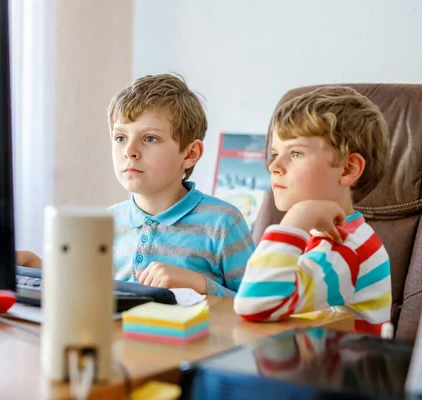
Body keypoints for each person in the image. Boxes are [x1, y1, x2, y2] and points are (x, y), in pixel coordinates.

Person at [233, 86, 391, 335]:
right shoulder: (321, 238)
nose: (274, 165)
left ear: (348, 169)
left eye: (296, 153)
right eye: (275, 153)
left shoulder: (348, 249)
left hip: (337, 372)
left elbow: (255, 303)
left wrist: (295, 220)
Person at [107, 73, 254, 295]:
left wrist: (199, 284)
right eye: (120, 138)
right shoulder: (104, 224)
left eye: (150, 138)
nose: (129, 151)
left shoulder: (223, 223)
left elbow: (258, 308)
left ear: (190, 153)